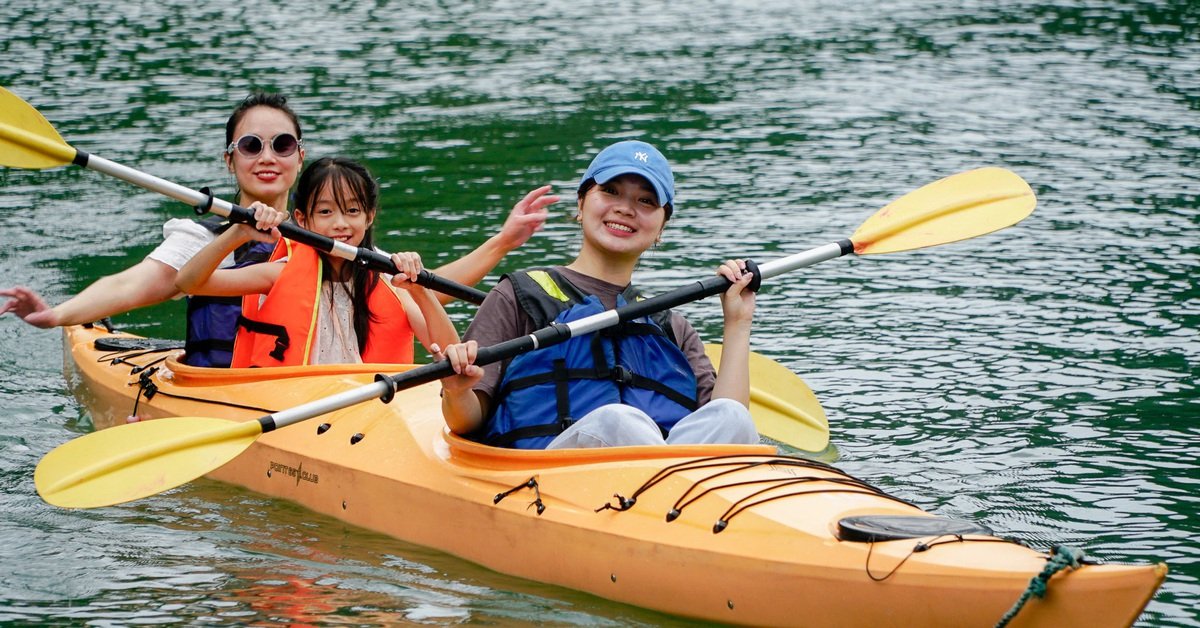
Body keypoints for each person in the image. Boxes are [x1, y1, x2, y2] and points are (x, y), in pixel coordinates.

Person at [1, 92, 554, 367]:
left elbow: (414, 290)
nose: (267, 156)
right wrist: (57, 315)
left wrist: (503, 241)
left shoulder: (336, 235)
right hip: (229, 387)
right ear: (230, 159)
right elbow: (138, 284)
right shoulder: (203, 237)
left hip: (336, 394)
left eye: (282, 144)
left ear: (299, 156)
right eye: (251, 146)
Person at [437, 140, 759, 449]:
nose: (625, 209)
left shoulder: (671, 326)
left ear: (661, 228)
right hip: (550, 474)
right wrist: (457, 392)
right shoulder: (521, 296)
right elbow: (466, 423)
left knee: (733, 415)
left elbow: (727, 430)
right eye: (610, 191)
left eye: (646, 201)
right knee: (617, 421)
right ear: (581, 204)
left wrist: (738, 322)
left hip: (666, 479)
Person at [177, 156, 457, 367]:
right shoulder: (280, 274)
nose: (340, 223)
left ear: (369, 216)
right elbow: (189, 282)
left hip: (371, 409)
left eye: (352, 211)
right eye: (325, 212)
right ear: (302, 219)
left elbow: (452, 353)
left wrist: (420, 290)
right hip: (295, 406)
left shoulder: (387, 279)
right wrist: (238, 233)